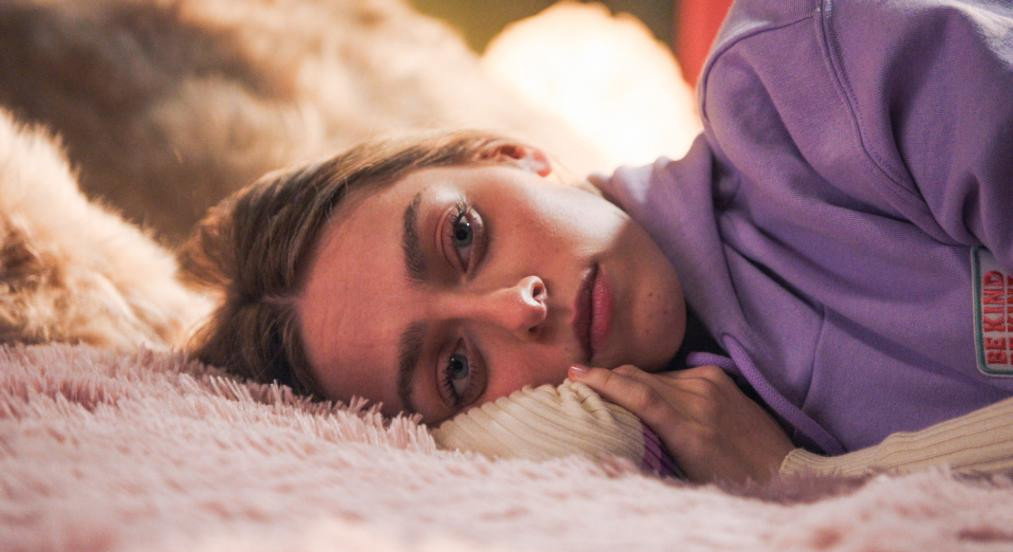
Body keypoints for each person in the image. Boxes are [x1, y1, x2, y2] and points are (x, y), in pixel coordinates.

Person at [180, 0, 1013, 483]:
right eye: (457, 369)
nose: (517, 307)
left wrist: (808, 481)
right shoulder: (699, 451)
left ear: (512, 154)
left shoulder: (803, 76)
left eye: (463, 234)